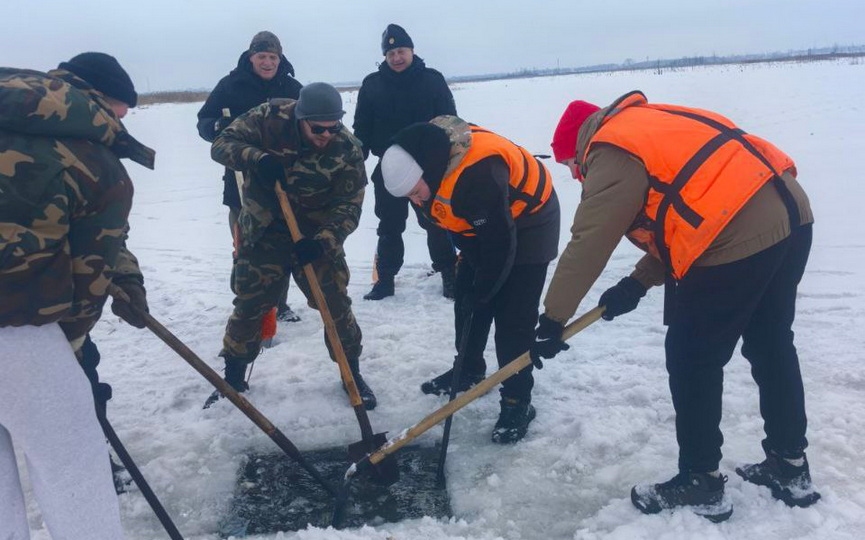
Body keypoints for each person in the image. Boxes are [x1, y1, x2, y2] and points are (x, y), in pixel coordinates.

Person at [533, 92, 820, 522]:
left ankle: (701, 482)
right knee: (771, 342)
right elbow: (690, 212)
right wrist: (637, 282)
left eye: (573, 167)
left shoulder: (610, 150)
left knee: (692, 357)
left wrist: (552, 318)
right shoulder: (650, 124)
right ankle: (789, 465)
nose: (577, 176)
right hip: (790, 213)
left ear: (579, 149)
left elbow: (590, 239)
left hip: (737, 234)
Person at [0, 52, 154, 539]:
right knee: (72, 468)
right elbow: (92, 270)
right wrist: (68, 349)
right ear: (101, 103)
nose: (117, 123)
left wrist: (127, 276)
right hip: (20, 334)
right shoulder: (95, 160)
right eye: (119, 114)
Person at [380, 115, 560, 443]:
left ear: (427, 171)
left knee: (512, 318)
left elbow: (500, 243)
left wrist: (487, 290)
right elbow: (461, 225)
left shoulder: (477, 174)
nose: (416, 201)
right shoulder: (426, 169)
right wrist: (473, 287)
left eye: (416, 192)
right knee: (466, 301)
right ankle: (469, 370)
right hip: (486, 225)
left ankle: (518, 399)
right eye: (408, 196)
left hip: (531, 220)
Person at [211, 82, 377, 409]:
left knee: (334, 303)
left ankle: (351, 373)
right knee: (251, 303)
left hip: (314, 235)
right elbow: (221, 144)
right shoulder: (270, 117)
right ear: (300, 117)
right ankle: (232, 378)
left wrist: (323, 242)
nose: (325, 135)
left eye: (332, 128)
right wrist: (256, 158)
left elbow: (349, 205)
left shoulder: (346, 148)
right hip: (264, 228)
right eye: (318, 128)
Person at [198, 30, 303, 322]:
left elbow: (310, 124)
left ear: (279, 59)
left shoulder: (293, 88)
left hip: (282, 177)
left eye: (273, 57)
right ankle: (247, 304)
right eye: (262, 56)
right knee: (245, 244)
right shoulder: (231, 86)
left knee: (283, 240)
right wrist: (217, 125)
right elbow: (203, 122)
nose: (267, 62)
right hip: (241, 180)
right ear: (251, 57)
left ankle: (278, 305)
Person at [354, 23, 458, 300]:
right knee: (389, 225)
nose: (396, 57)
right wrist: (354, 162)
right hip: (388, 166)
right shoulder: (372, 85)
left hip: (430, 168)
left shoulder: (432, 81)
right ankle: (385, 280)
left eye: (401, 51)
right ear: (385, 57)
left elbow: (450, 123)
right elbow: (361, 129)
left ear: (411, 51)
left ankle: (450, 274)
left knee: (437, 222)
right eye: (391, 53)